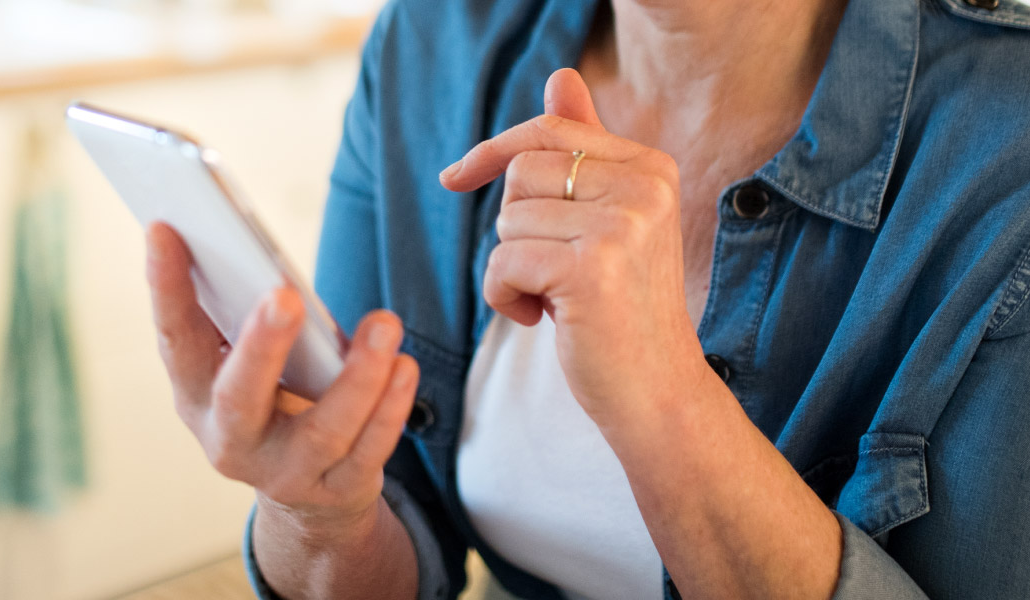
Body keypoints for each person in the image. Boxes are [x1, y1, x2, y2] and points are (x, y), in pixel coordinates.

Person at [144, 0, 1030, 598]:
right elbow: (393, 535)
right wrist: (314, 507)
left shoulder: (1005, 150)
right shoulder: (435, 37)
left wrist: (665, 402)